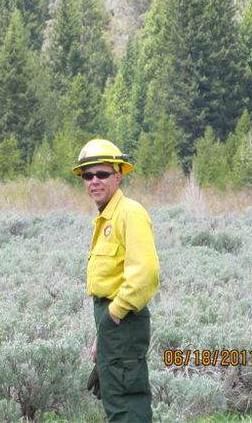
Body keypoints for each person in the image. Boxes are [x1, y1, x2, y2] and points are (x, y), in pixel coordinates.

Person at [73, 138, 160, 422]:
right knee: (116, 402)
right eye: (87, 175)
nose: (94, 181)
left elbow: (145, 274)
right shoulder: (107, 217)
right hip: (113, 323)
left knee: (126, 407)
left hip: (123, 319)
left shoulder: (129, 213)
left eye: (102, 174)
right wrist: (103, 333)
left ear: (119, 175)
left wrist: (113, 315)